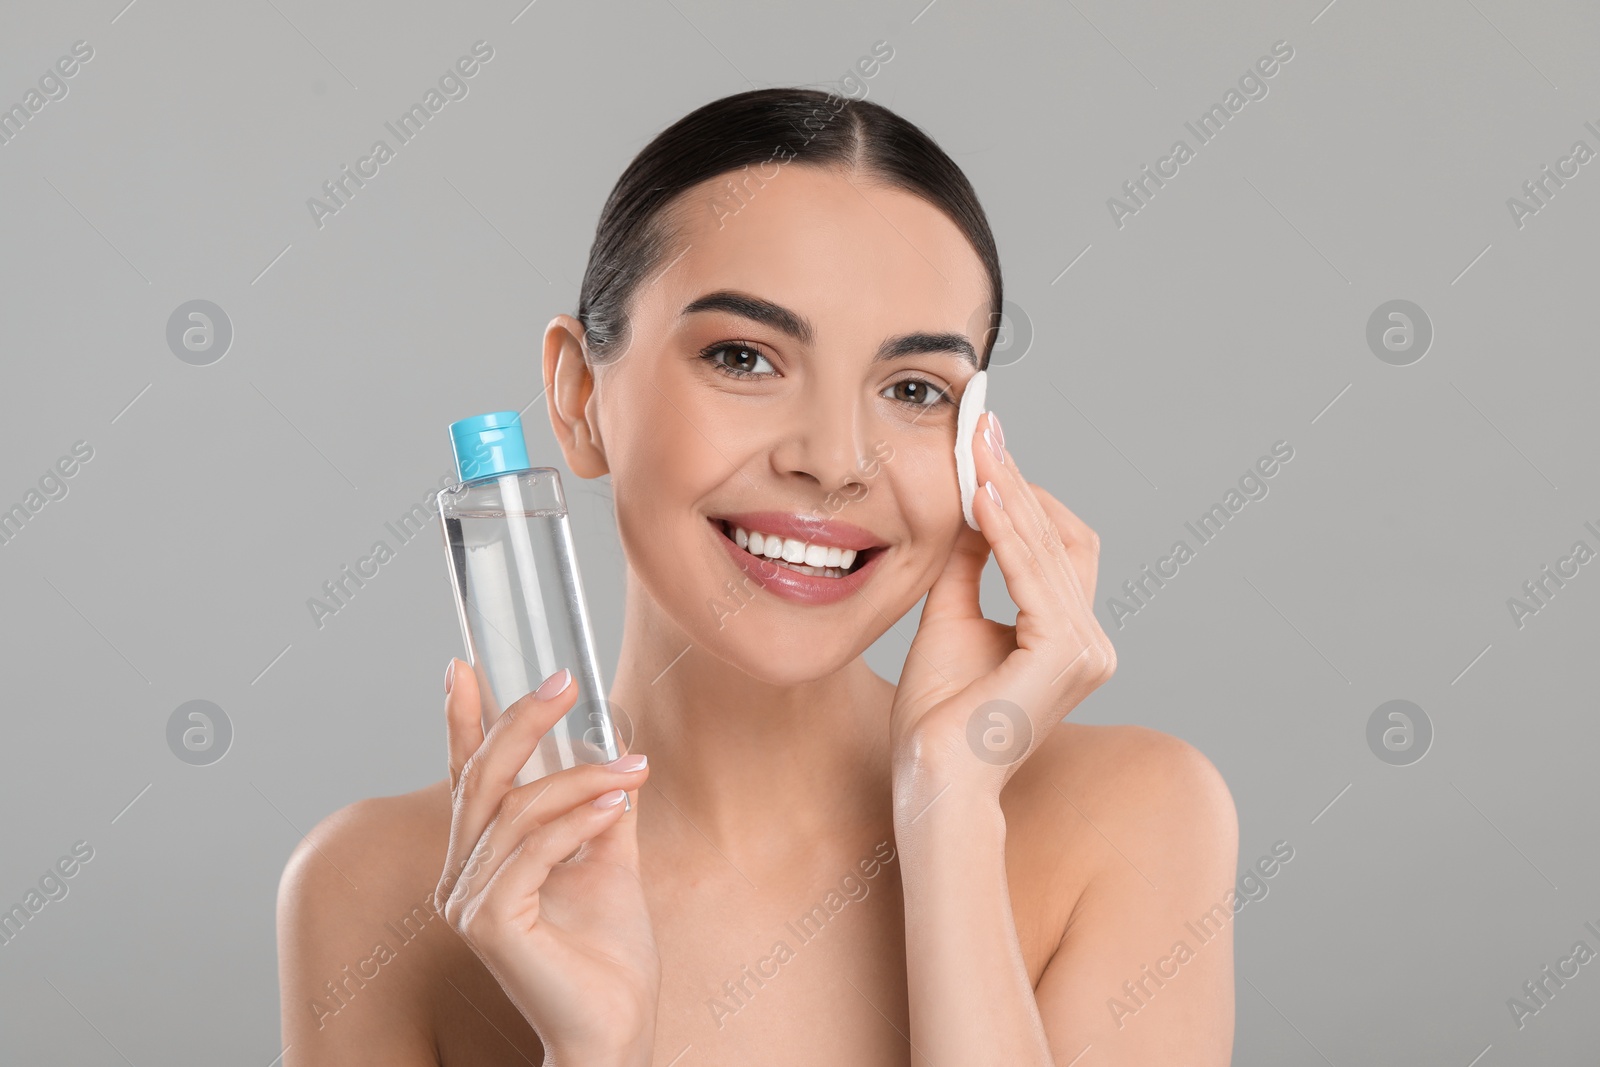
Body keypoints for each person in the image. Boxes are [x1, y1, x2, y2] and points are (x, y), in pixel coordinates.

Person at [276, 85, 1238, 1066]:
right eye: (743, 356)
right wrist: (595, 1050)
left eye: (914, 389)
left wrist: (949, 807)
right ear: (575, 397)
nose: (834, 457)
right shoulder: (379, 889)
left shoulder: (1131, 820)